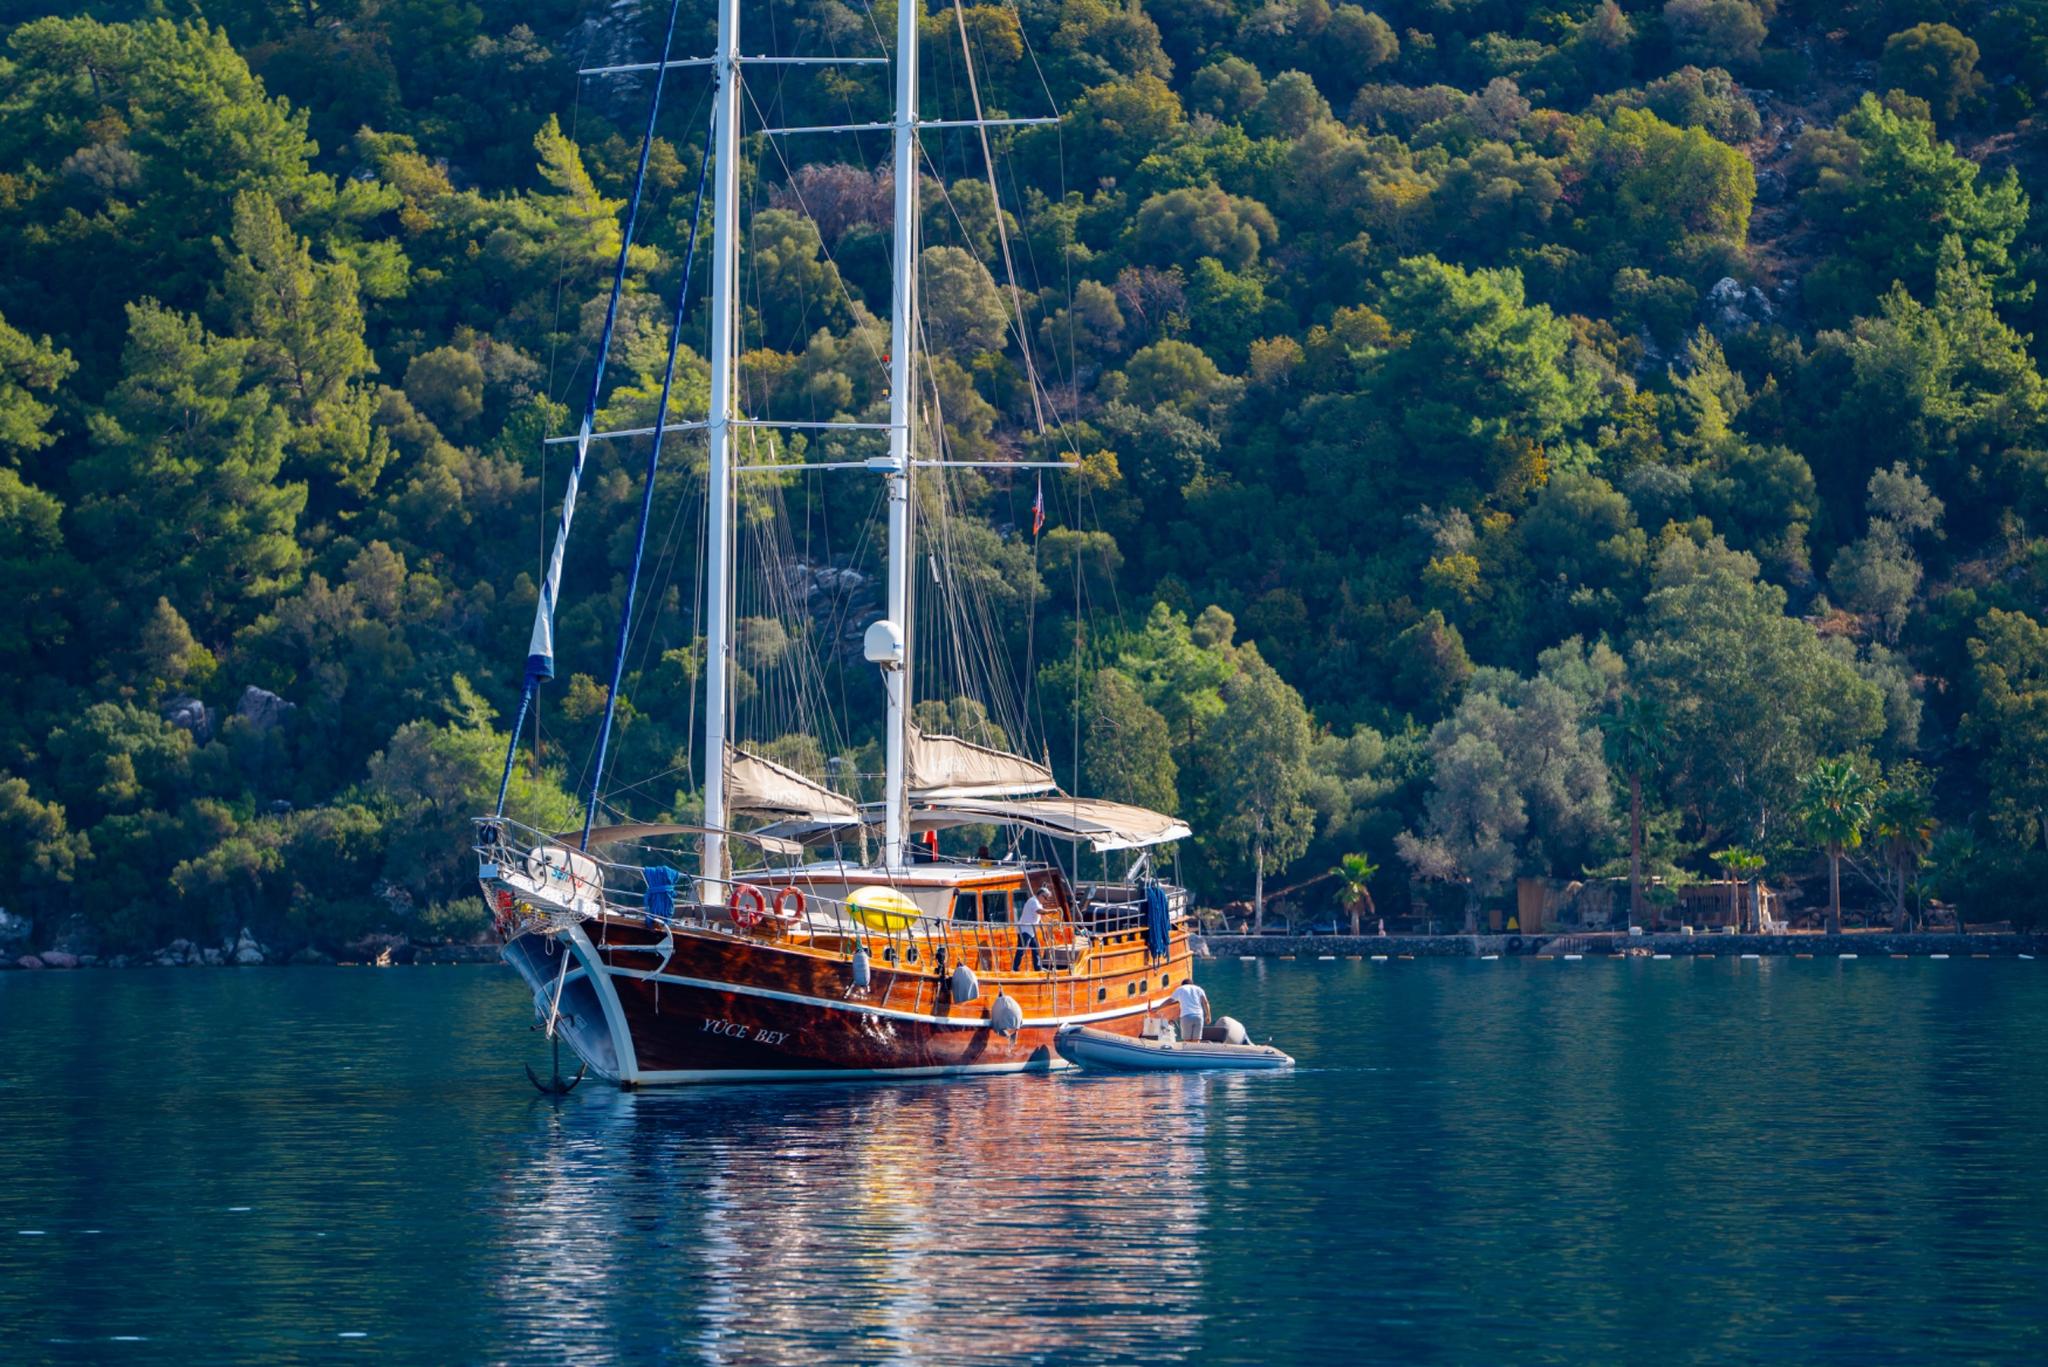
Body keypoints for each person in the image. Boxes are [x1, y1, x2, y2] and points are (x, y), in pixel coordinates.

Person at [1012, 886, 1044, 971]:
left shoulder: (1038, 902)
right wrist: (1053, 910)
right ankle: (1015, 969)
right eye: (1045, 897)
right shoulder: (1033, 901)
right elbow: (1040, 911)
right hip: (1025, 930)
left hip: (1030, 931)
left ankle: (1038, 968)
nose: (1046, 900)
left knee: (1035, 948)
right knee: (1021, 949)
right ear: (1040, 895)